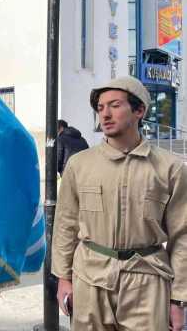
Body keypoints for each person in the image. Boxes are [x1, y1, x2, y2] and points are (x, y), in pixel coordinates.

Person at [52, 76, 187, 331]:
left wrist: (178, 298)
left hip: (146, 282)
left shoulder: (169, 168)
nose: (105, 114)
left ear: (139, 110)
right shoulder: (80, 165)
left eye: (114, 105)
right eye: (100, 108)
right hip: (90, 279)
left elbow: (183, 237)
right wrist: (63, 279)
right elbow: (65, 225)